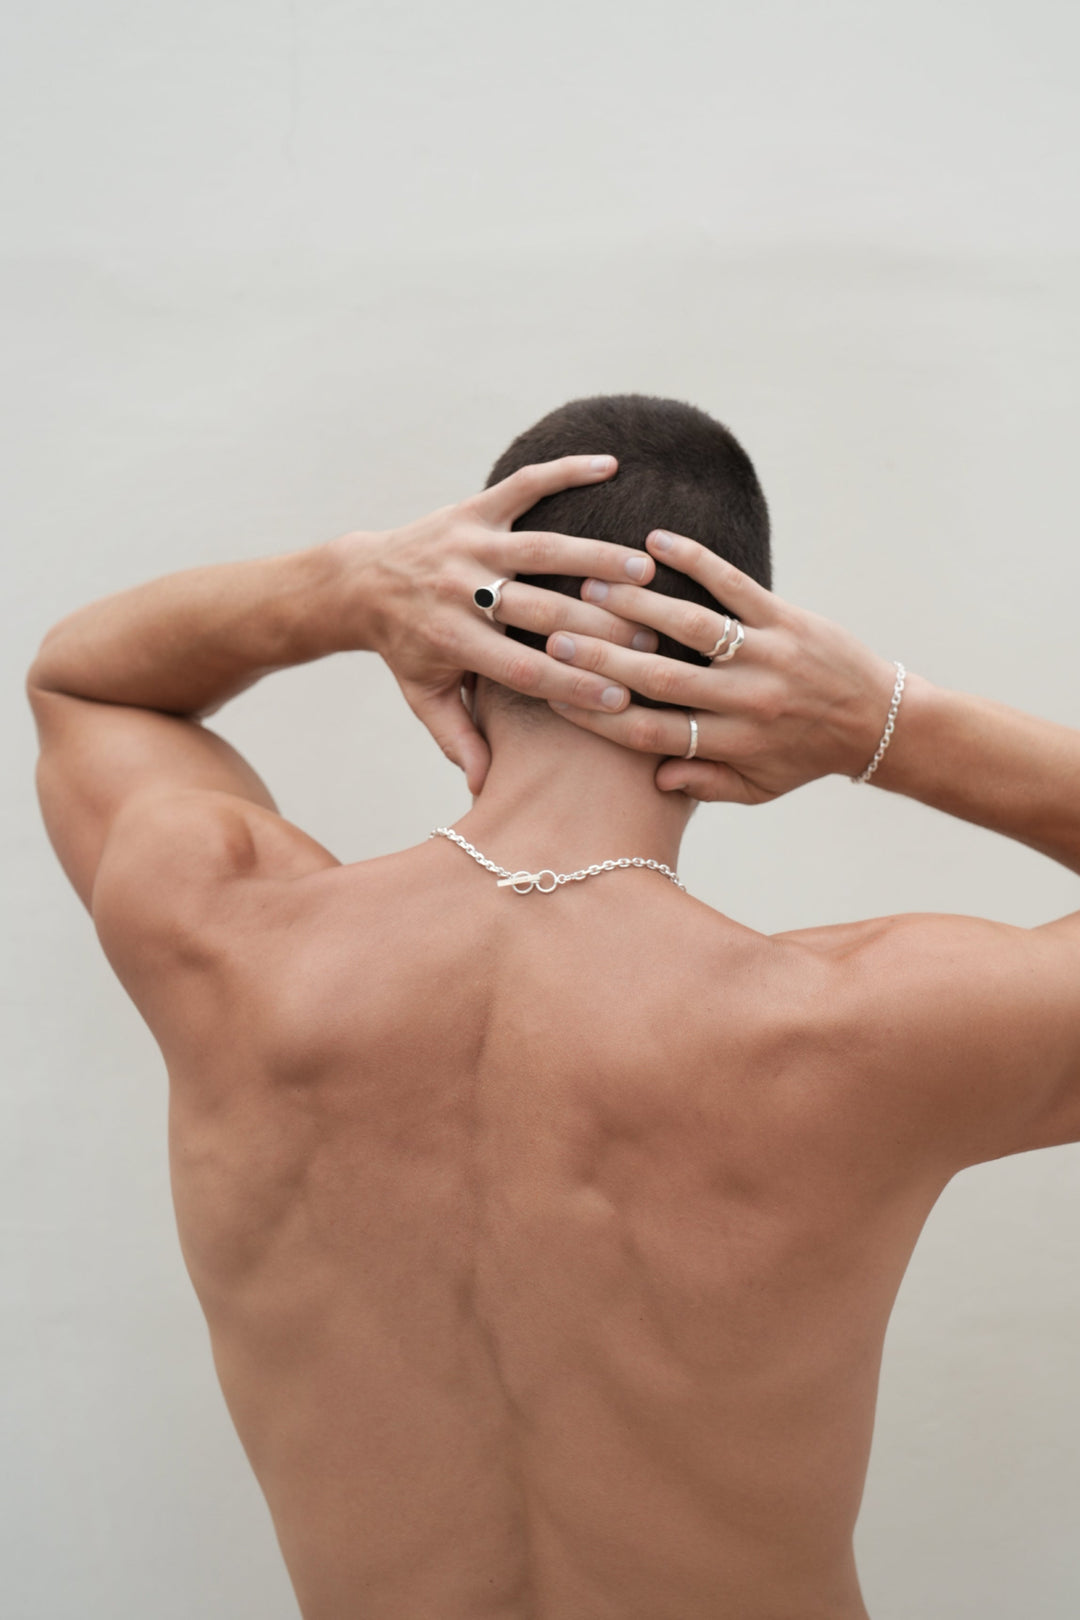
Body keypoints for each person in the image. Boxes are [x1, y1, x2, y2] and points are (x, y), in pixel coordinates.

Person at [27, 393, 1080, 1620]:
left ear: (462, 654)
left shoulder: (230, 939)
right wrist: (886, 725)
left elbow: (83, 688)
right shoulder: (849, 1036)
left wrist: (351, 586)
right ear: (745, 675)